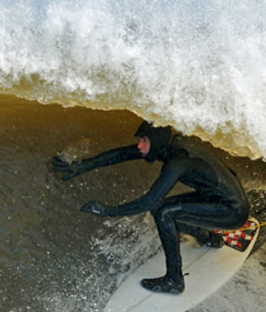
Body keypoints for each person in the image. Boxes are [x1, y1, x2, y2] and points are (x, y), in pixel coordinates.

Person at [51, 121, 250, 295]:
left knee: (164, 212)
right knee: (164, 209)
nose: (139, 145)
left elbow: (147, 202)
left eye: (143, 141)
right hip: (219, 199)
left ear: (155, 142)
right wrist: (82, 166)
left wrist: (107, 211)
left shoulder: (178, 162)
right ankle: (209, 238)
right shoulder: (173, 145)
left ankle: (174, 281)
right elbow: (123, 153)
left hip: (231, 212)